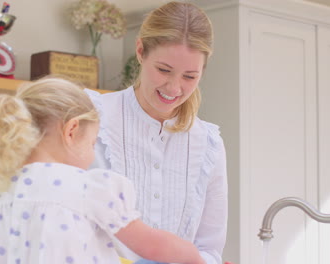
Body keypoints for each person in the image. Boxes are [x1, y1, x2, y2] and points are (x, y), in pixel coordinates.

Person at [0, 77, 207, 264]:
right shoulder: (89, 189)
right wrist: (194, 257)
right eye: (93, 142)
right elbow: (151, 245)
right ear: (71, 131)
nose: (93, 153)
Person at [85, 1, 228, 264]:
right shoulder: (93, 117)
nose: (174, 88)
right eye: (164, 70)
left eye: (189, 76)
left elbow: (209, 250)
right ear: (140, 51)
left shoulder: (208, 145)